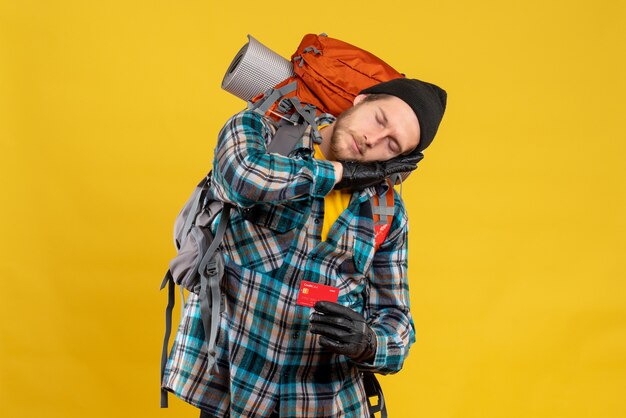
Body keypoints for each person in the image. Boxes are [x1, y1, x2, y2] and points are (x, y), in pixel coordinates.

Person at [162, 77, 447, 417]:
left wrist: (369, 343)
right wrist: (341, 173)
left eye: (392, 145)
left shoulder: (386, 211)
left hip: (323, 400)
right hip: (234, 384)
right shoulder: (265, 129)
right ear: (361, 100)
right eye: (380, 119)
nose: (373, 140)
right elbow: (241, 176)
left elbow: (397, 322)